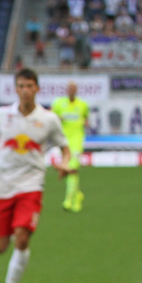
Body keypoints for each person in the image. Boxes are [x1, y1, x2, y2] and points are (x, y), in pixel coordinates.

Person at [0, 69, 70, 283]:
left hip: (31, 185)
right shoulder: (3, 115)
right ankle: (15, 237)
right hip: (2, 186)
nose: (25, 90)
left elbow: (64, 147)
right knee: (0, 247)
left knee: (22, 238)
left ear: (37, 89)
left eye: (29, 86)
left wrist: (64, 163)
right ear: (16, 89)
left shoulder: (48, 119)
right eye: (21, 86)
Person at [50, 81, 90, 212]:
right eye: (70, 88)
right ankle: (77, 195)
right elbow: (50, 118)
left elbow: (86, 120)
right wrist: (58, 119)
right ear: (66, 90)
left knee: (72, 168)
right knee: (67, 170)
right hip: (62, 142)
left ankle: (68, 200)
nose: (72, 90)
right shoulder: (59, 104)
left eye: (74, 88)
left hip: (77, 142)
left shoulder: (82, 105)